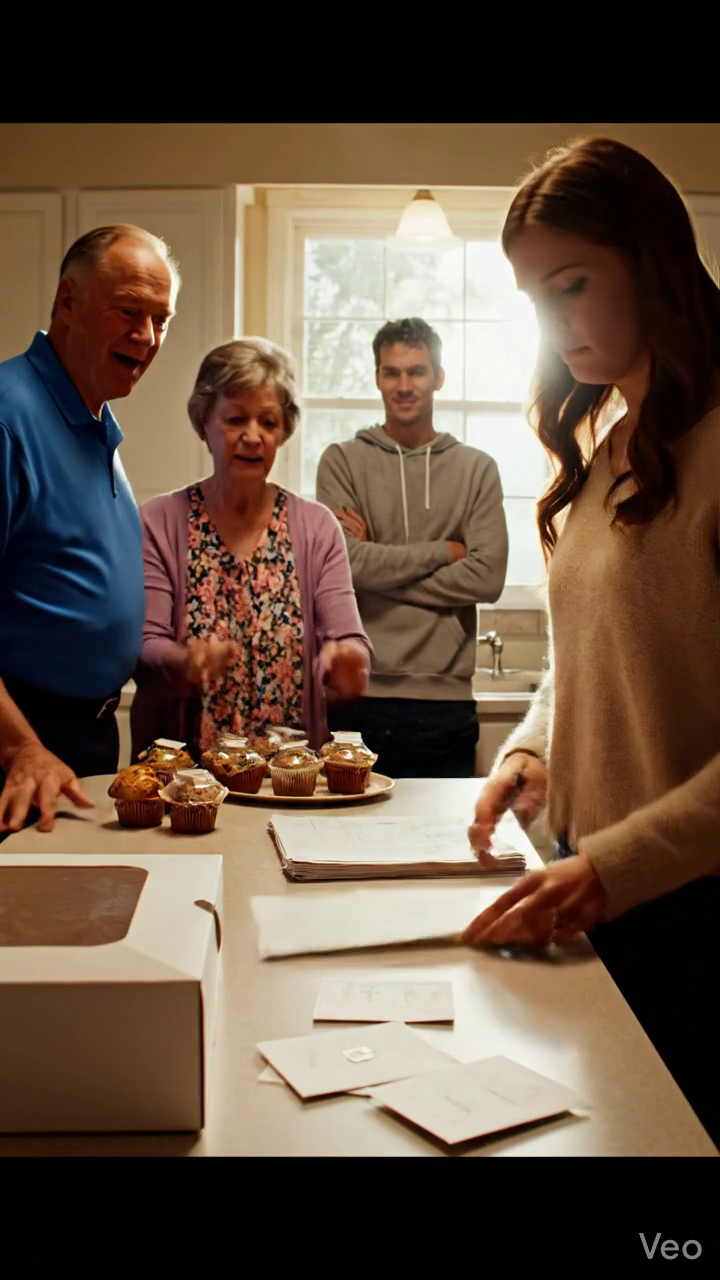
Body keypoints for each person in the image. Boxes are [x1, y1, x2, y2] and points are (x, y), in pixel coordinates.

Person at [463, 136, 720, 1147]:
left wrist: (613, 863)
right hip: (593, 888)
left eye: (570, 284)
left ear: (651, 260)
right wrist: (534, 745)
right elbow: (587, 653)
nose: (553, 320)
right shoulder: (610, 441)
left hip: (692, 914)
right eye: (534, 296)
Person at [0, 224, 179, 834]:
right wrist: (20, 747)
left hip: (88, 738)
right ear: (67, 303)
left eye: (162, 320)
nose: (148, 337)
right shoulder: (8, 414)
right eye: (129, 311)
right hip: (22, 747)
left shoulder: (93, 418)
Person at [131, 337, 370, 757]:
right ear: (204, 423)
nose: (253, 437)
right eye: (236, 419)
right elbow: (144, 644)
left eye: (269, 422)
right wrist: (184, 661)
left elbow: (349, 639)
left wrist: (348, 660)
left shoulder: (316, 528)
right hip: (183, 781)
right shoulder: (158, 521)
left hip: (288, 777)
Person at [315, 317, 508, 778]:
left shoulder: (476, 469)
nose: (404, 385)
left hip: (445, 704)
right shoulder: (342, 461)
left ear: (439, 378)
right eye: (392, 372)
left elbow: (488, 578)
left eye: (417, 372)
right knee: (350, 849)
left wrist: (374, 565)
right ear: (378, 377)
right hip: (358, 696)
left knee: (442, 850)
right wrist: (444, 550)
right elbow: (345, 568)